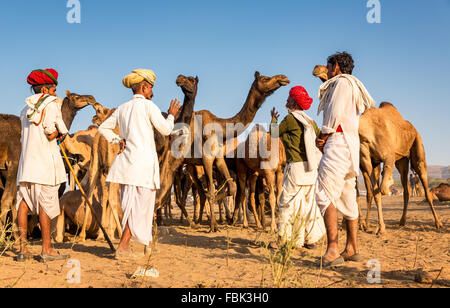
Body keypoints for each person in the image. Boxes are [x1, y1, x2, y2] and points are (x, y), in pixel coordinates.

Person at [99, 69, 181, 260]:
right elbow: (167, 129)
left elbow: (103, 128)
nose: (152, 92)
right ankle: (124, 246)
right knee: (140, 207)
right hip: (143, 165)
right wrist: (171, 115)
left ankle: (148, 244)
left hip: (126, 164)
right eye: (151, 88)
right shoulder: (148, 106)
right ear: (143, 87)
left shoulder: (122, 108)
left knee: (134, 205)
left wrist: (117, 139)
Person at [315, 52, 375, 267]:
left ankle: (332, 250)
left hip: (338, 142)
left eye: (329, 65)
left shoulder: (340, 83)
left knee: (324, 193)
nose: (327, 68)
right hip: (350, 145)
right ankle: (352, 248)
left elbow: (335, 113)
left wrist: (322, 136)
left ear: (337, 66)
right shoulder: (353, 85)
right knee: (347, 194)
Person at [16, 68, 70, 262]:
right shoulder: (51, 104)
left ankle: (23, 249)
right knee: (45, 204)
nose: (56, 92)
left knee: (23, 203)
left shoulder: (25, 109)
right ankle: (46, 249)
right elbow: (49, 133)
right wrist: (59, 134)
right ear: (46, 90)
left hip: (27, 164)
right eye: (54, 88)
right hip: (44, 164)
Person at [269, 86, 325, 250]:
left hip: (296, 169)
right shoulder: (310, 122)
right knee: (308, 205)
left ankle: (282, 240)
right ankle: (310, 239)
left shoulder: (290, 119)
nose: (286, 101)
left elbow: (273, 134)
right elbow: (319, 137)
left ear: (294, 101)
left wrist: (273, 120)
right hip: (311, 170)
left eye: (289, 98)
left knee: (287, 203)